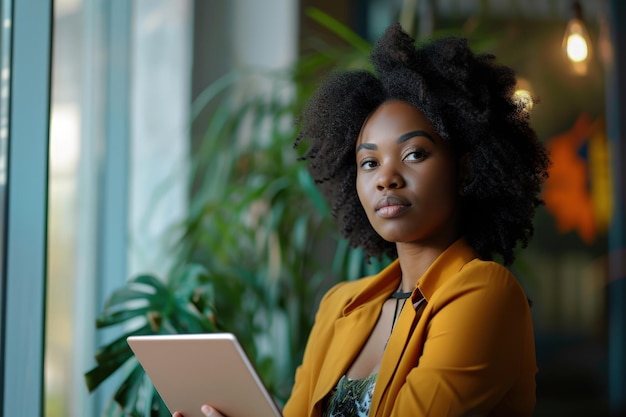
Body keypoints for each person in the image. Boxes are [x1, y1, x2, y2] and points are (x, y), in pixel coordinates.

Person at [173, 21, 549, 417]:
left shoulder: (485, 293)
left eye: (414, 154)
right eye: (369, 162)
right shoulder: (340, 307)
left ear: (466, 170)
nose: (385, 178)